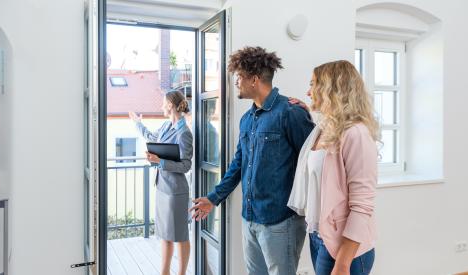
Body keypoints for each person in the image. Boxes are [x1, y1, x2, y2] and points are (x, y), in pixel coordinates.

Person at [190, 46, 314, 275]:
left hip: (281, 220)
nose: (236, 82)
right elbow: (239, 164)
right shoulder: (247, 119)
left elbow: (313, 163)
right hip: (250, 218)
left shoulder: (291, 112)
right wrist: (213, 198)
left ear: (254, 79)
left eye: (239, 77)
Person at [288, 60, 379, 275]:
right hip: (319, 236)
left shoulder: (356, 134)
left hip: (345, 249)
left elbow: (362, 205)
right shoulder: (323, 129)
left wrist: (343, 262)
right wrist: (308, 110)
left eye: (313, 85)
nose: (308, 92)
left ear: (331, 89)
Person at [129, 90, 193, 275]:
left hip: (175, 192)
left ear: (171, 105)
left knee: (179, 235)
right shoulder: (166, 126)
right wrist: (138, 123)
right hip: (163, 188)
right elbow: (152, 137)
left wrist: (160, 162)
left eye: (163, 103)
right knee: (165, 235)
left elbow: (186, 165)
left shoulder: (184, 133)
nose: (161, 106)